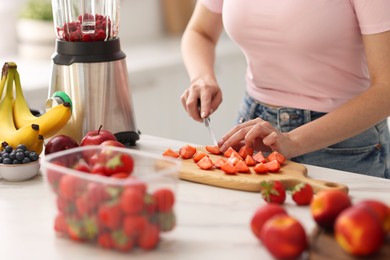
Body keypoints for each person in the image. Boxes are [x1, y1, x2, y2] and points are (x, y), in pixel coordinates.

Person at [180, 0, 390, 179]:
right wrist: (201, 77)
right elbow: (201, 32)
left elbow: (386, 90)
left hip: (341, 145)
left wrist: (292, 141)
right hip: (253, 130)